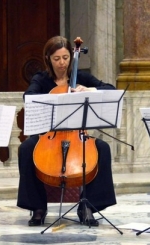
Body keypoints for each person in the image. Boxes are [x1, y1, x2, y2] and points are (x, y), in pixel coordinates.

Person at [17, 36, 117, 226]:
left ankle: (88, 206)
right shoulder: (41, 78)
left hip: (78, 135)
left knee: (103, 148)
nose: (62, 63)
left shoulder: (81, 77)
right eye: (56, 59)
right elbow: (28, 96)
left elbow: (110, 89)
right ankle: (38, 207)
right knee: (26, 149)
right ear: (48, 59)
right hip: (49, 136)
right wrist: (54, 98)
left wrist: (89, 90)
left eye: (65, 57)